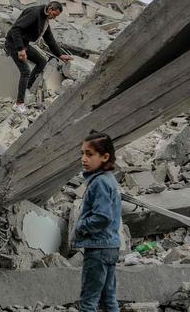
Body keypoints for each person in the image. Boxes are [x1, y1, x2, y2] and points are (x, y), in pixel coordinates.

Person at [73, 132, 121, 312]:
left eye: (89, 154)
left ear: (105, 157)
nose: (84, 159)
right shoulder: (109, 179)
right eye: (82, 153)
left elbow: (102, 216)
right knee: (108, 297)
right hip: (110, 246)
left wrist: (81, 227)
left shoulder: (99, 182)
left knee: (89, 300)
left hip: (98, 248)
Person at [5, 1, 73, 113]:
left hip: (24, 44)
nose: (54, 17)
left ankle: (26, 88)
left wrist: (60, 54)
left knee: (42, 61)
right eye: (54, 15)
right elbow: (15, 29)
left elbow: (49, 38)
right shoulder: (34, 13)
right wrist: (20, 49)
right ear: (50, 9)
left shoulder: (45, 18)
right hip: (14, 44)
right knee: (25, 71)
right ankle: (19, 103)